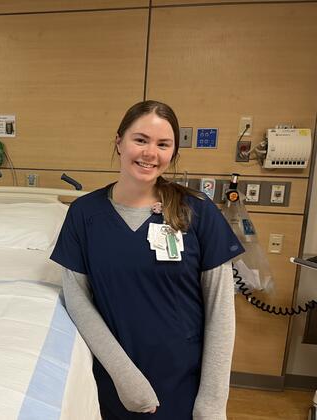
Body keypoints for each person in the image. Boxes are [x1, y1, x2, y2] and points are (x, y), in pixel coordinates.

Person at [50, 100, 244, 420]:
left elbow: (220, 312)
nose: (150, 153)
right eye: (140, 140)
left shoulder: (197, 211)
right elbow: (77, 299)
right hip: (110, 381)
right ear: (119, 142)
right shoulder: (85, 214)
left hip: (182, 382)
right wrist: (124, 376)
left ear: (173, 152)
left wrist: (212, 404)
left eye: (163, 144)